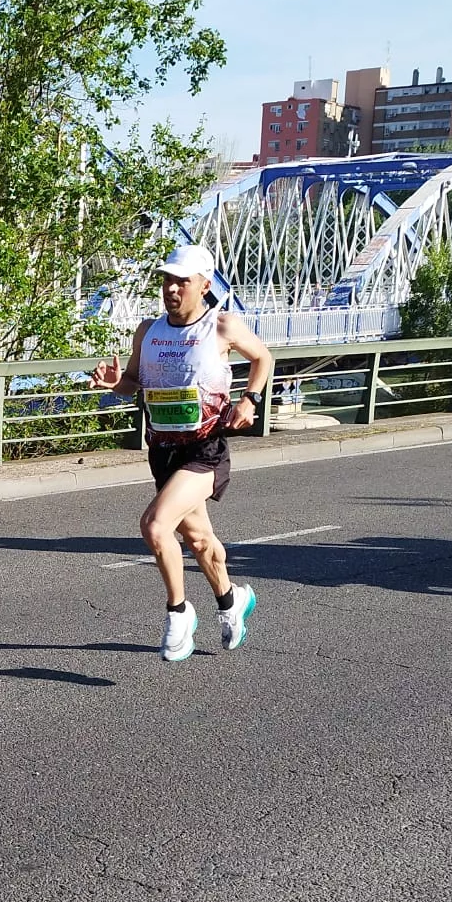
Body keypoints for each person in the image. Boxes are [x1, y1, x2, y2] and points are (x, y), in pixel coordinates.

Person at [91, 243, 274, 663]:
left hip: (205, 448)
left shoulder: (222, 326)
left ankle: (179, 615)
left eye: (182, 281)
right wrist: (115, 383)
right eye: (166, 280)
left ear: (204, 285)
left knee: (156, 526)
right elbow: (134, 382)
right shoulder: (148, 331)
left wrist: (250, 401)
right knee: (198, 539)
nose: (171, 289)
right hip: (163, 451)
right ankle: (233, 603)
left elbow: (263, 357)